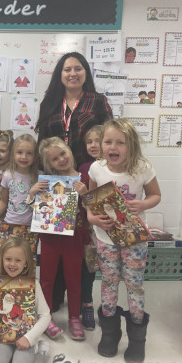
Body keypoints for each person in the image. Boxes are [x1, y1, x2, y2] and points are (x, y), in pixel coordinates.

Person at [35, 52, 112, 310]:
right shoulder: (50, 103)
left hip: (89, 178)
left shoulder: (98, 101)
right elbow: (42, 143)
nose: (72, 73)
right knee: (57, 237)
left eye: (78, 68)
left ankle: (83, 300)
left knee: (85, 240)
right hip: (57, 183)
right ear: (60, 74)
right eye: (67, 69)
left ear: (85, 72)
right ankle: (56, 295)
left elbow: (109, 138)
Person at [86, 118, 161, 363]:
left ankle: (137, 339)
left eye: (120, 142)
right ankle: (110, 334)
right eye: (108, 142)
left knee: (134, 284)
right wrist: (92, 218)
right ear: (101, 144)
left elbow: (155, 195)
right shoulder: (96, 168)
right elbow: (90, 200)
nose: (113, 147)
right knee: (108, 282)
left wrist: (142, 204)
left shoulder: (142, 168)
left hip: (134, 240)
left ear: (131, 145)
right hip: (105, 238)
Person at [37, 137, 89, 341]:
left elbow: (93, 206)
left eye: (63, 153)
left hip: (74, 238)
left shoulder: (83, 177)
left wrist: (85, 194)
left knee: (74, 279)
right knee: (46, 280)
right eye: (54, 159)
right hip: (50, 238)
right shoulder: (47, 181)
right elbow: (36, 205)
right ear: (49, 164)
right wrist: (33, 192)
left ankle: (74, 317)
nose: (61, 159)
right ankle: (46, 318)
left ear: (69, 151)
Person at [0, 236, 50, 363]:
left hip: (26, 334)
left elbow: (45, 315)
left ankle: (42, 352)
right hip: (4, 336)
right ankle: (10, 357)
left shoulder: (33, 284)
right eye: (8, 259)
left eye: (18, 260)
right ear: (1, 259)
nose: (12, 264)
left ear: (26, 262)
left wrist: (29, 338)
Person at [0, 134, 41, 258]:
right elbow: (3, 201)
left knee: (26, 263)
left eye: (29, 153)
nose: (24, 157)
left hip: (31, 228)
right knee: (4, 261)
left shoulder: (40, 177)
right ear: (13, 154)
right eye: (20, 152)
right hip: (9, 225)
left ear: (35, 156)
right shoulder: (8, 175)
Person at [78, 125, 104, 331]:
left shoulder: (115, 168)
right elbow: (82, 202)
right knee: (86, 267)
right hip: (86, 228)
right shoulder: (84, 168)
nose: (93, 145)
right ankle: (85, 302)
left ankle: (97, 305)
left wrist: (86, 193)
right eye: (89, 141)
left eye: (98, 140)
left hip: (106, 229)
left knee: (97, 269)